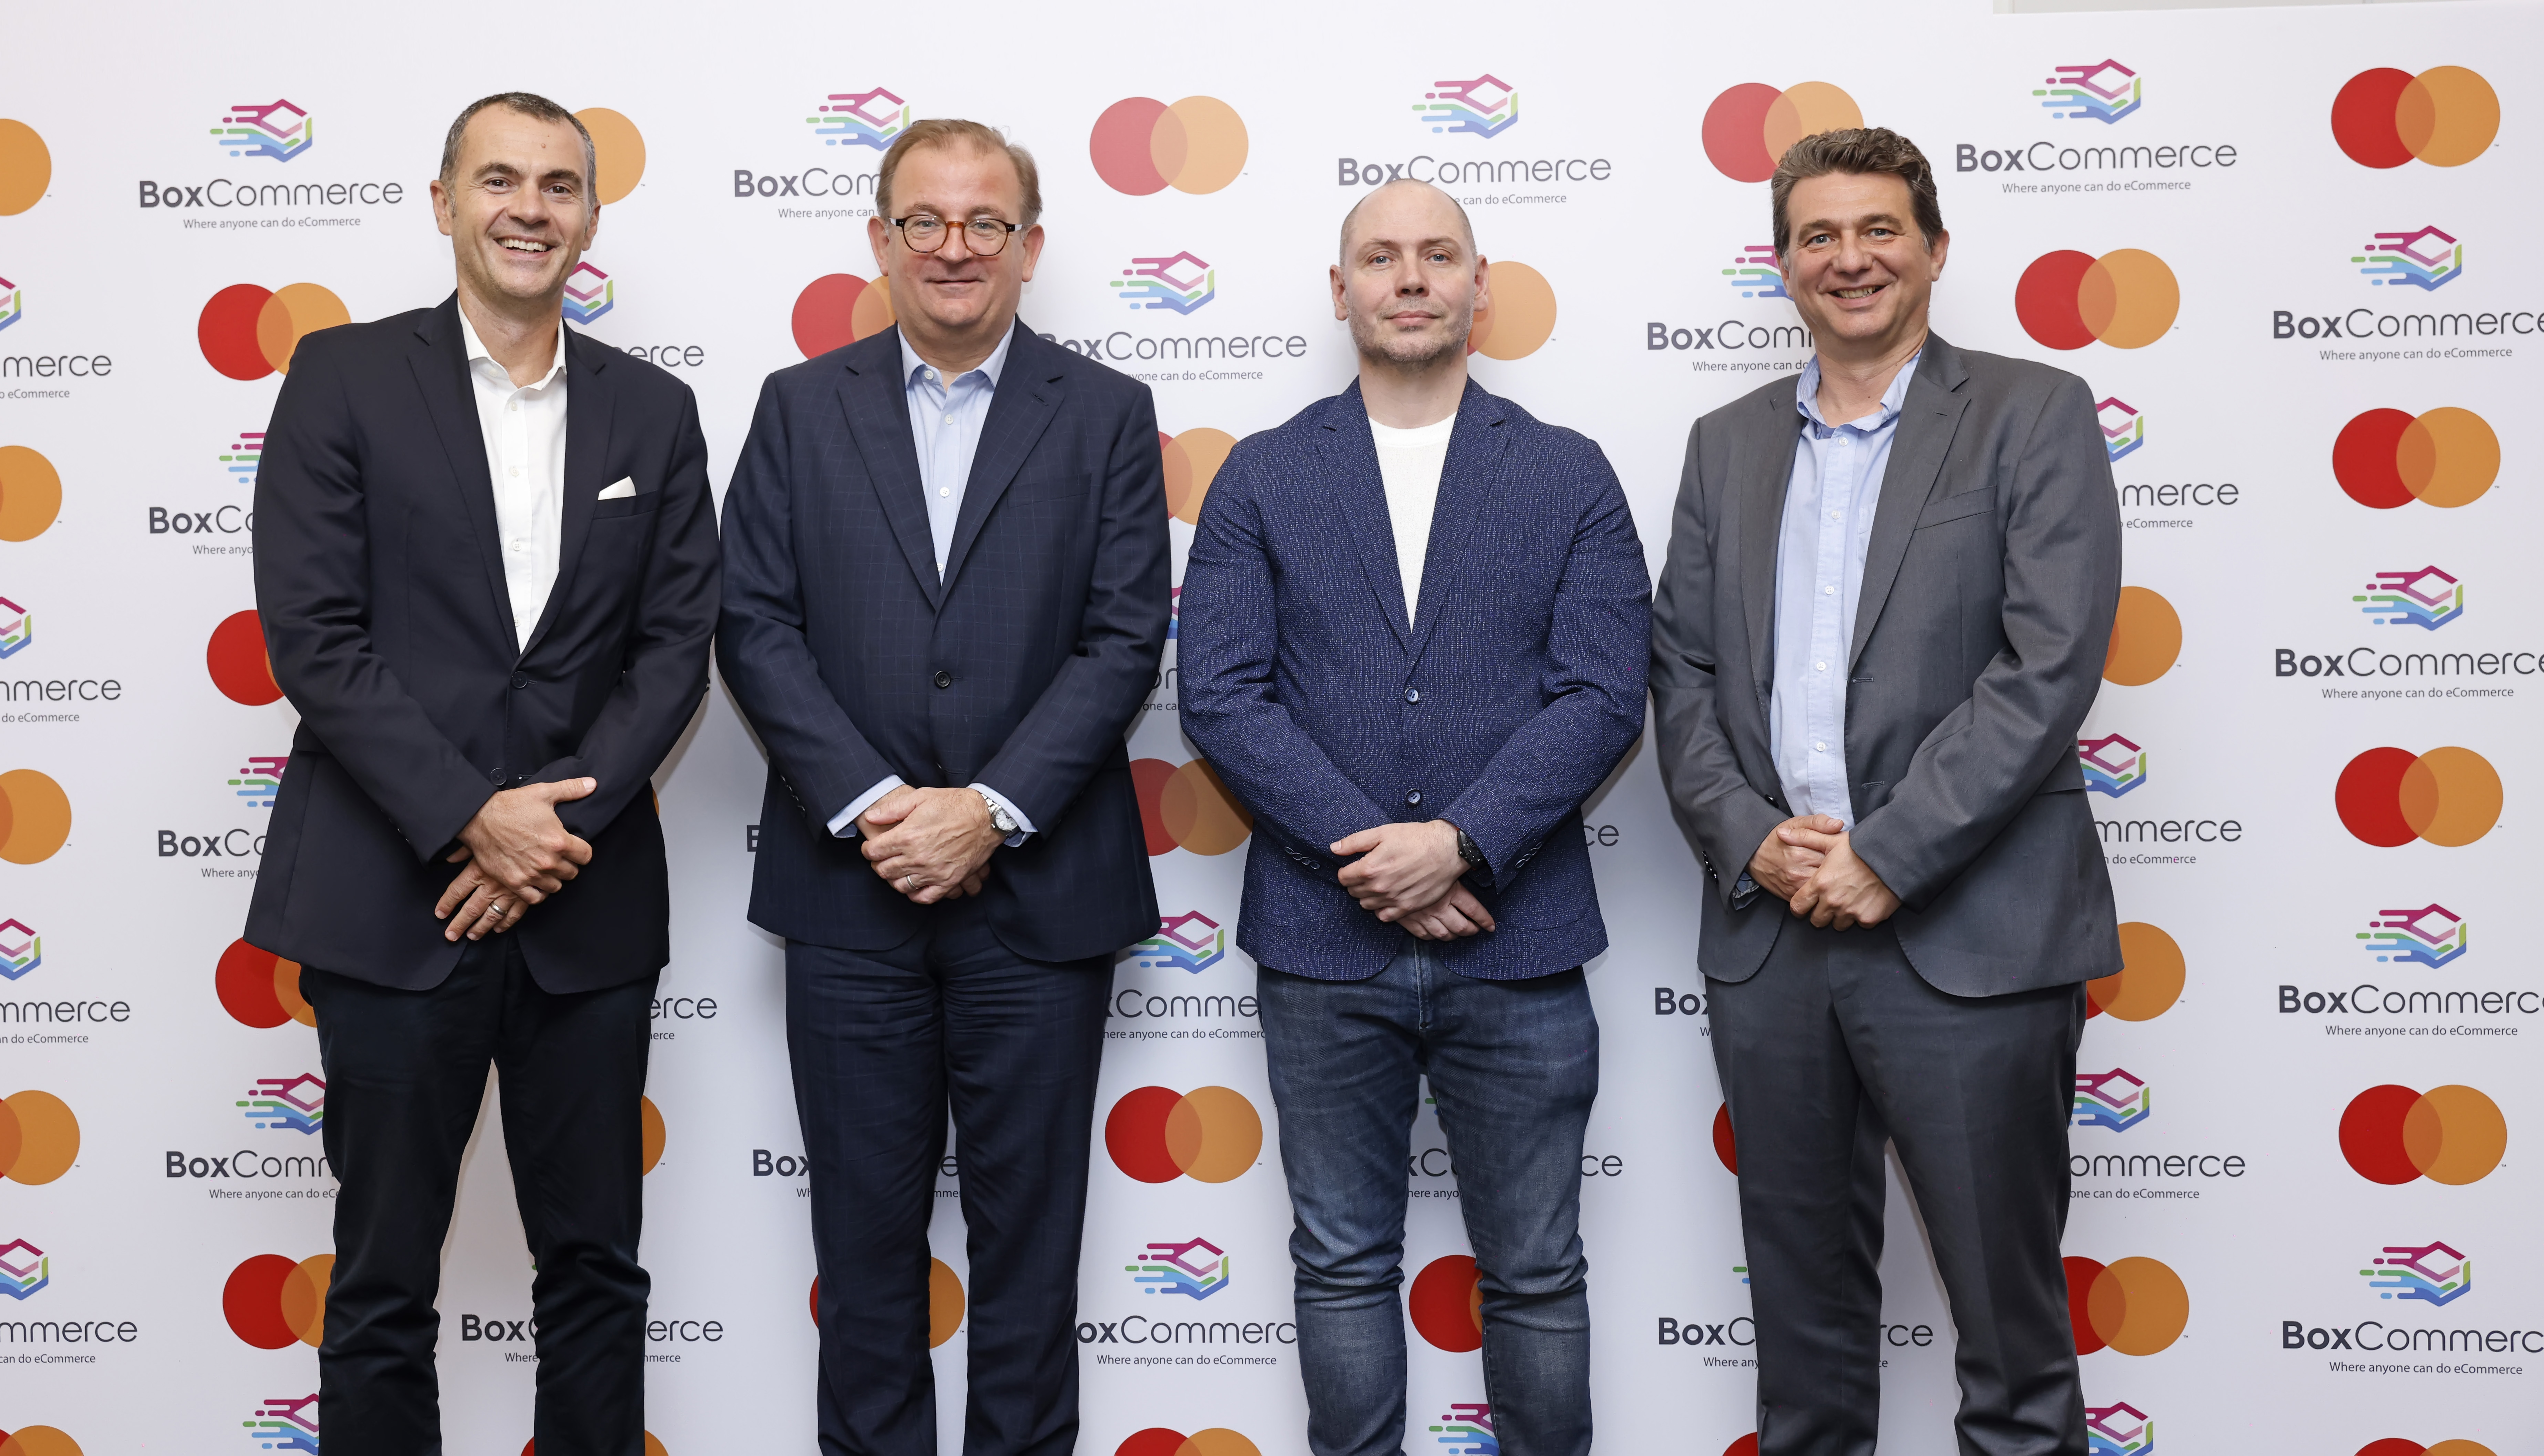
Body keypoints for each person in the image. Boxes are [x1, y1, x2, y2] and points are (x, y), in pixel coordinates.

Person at [242, 92, 720, 1456]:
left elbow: (675, 649)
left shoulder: (655, 411)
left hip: (586, 903)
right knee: (383, 1280)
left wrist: (545, 836)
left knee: (596, 1273)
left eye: (559, 186)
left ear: (591, 217)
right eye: (499, 180)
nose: (530, 208)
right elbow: (314, 634)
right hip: (389, 900)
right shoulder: (340, 376)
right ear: (444, 202)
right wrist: (468, 817)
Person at [1650, 127, 2123, 1456]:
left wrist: (1890, 854)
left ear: (1934, 249)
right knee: (1801, 1345)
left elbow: (2048, 666)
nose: (1849, 259)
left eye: (1878, 231)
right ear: (1784, 264)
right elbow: (1682, 673)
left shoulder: (2034, 413)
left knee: (2010, 1340)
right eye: (1819, 236)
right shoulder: (1725, 444)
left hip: (1969, 935)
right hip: (1774, 938)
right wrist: (1756, 840)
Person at [713, 119, 1170, 1456]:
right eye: (924, 220)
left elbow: (1122, 638)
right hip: (847, 902)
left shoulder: (1105, 413)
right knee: (862, 1265)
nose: (954, 247)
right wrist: (875, 804)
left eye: (985, 222)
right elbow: (755, 626)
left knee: (1031, 1264)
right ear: (880, 240)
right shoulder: (798, 408)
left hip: (1041, 899)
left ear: (1030, 245)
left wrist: (987, 811)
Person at [1178, 179, 1648, 1456]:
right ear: (1342, 291)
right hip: (1322, 948)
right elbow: (1221, 697)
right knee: (1340, 1263)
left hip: (1521, 941)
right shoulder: (1264, 474)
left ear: (1480, 285)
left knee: (1537, 1270)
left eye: (1439, 254)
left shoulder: (1567, 471)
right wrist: (1378, 860)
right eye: (1381, 258)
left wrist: (1459, 845)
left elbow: (1605, 694)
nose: (1411, 278)